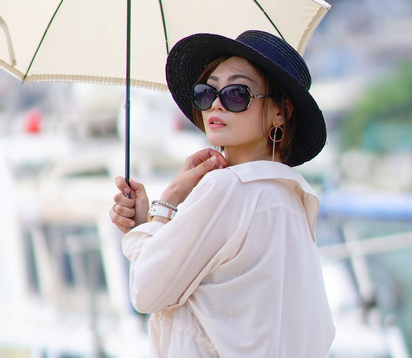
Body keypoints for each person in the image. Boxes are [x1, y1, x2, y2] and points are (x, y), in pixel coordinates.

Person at [109, 30, 335, 357]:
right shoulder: (294, 200)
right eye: (206, 92)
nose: (215, 104)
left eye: (237, 94)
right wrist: (149, 226)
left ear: (280, 111)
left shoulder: (229, 188)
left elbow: (145, 290)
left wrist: (167, 202)